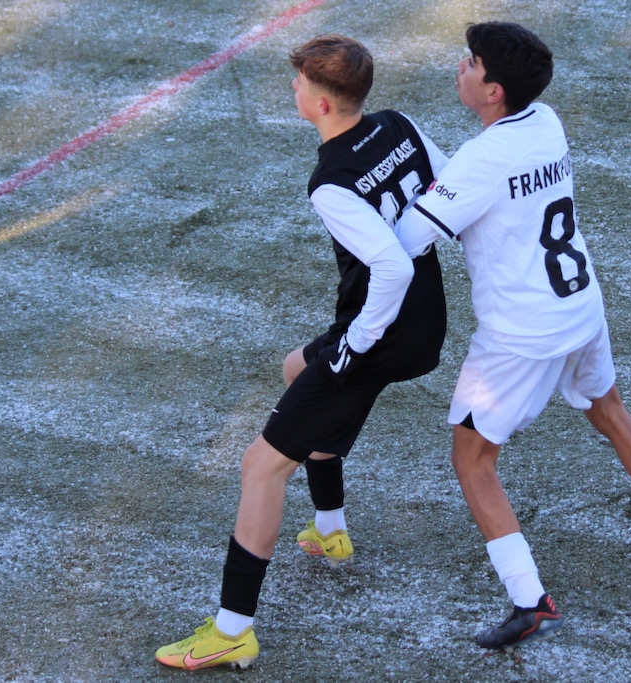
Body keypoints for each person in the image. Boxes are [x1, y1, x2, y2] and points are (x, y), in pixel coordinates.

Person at [392, 21, 631, 653]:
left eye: (471, 62)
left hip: (521, 334)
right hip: (580, 309)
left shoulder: (483, 158)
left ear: (494, 91)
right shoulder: (546, 122)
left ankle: (530, 602)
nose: (461, 67)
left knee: (472, 458)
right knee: (610, 410)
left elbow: (410, 237)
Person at [154, 34, 448, 670]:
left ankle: (232, 631)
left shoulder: (330, 183)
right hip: (425, 321)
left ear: (320, 103)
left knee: (260, 467)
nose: (292, 86)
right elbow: (448, 190)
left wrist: (353, 348)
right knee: (297, 369)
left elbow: (391, 269)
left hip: (382, 335)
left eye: (300, 83)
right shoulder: (399, 125)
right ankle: (330, 529)